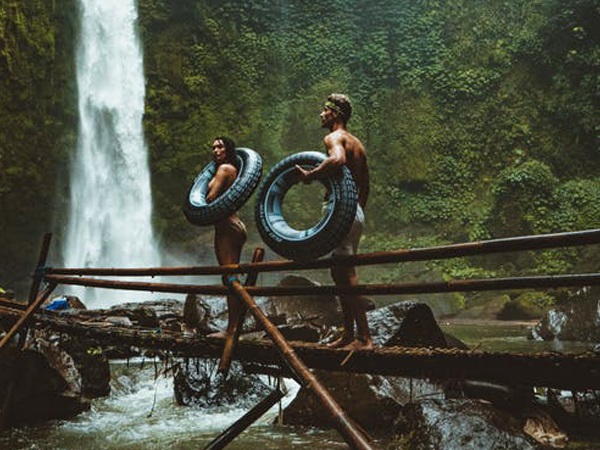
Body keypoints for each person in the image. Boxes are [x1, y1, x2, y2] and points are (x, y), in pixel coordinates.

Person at [296, 93, 373, 350]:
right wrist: (355, 209)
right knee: (338, 270)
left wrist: (311, 175)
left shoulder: (334, 138)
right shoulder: (358, 144)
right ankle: (349, 334)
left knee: (346, 271)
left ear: (335, 114)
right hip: (354, 212)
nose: (321, 114)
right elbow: (366, 185)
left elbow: (337, 160)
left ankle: (365, 338)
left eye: (325, 110)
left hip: (343, 211)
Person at [205, 136, 247, 339]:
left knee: (230, 278)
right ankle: (236, 325)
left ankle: (231, 330)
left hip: (226, 227)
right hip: (235, 225)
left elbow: (211, 198)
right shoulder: (231, 170)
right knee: (232, 277)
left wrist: (205, 196)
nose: (215, 150)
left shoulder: (223, 170)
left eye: (219, 147)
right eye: (213, 147)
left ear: (228, 150)